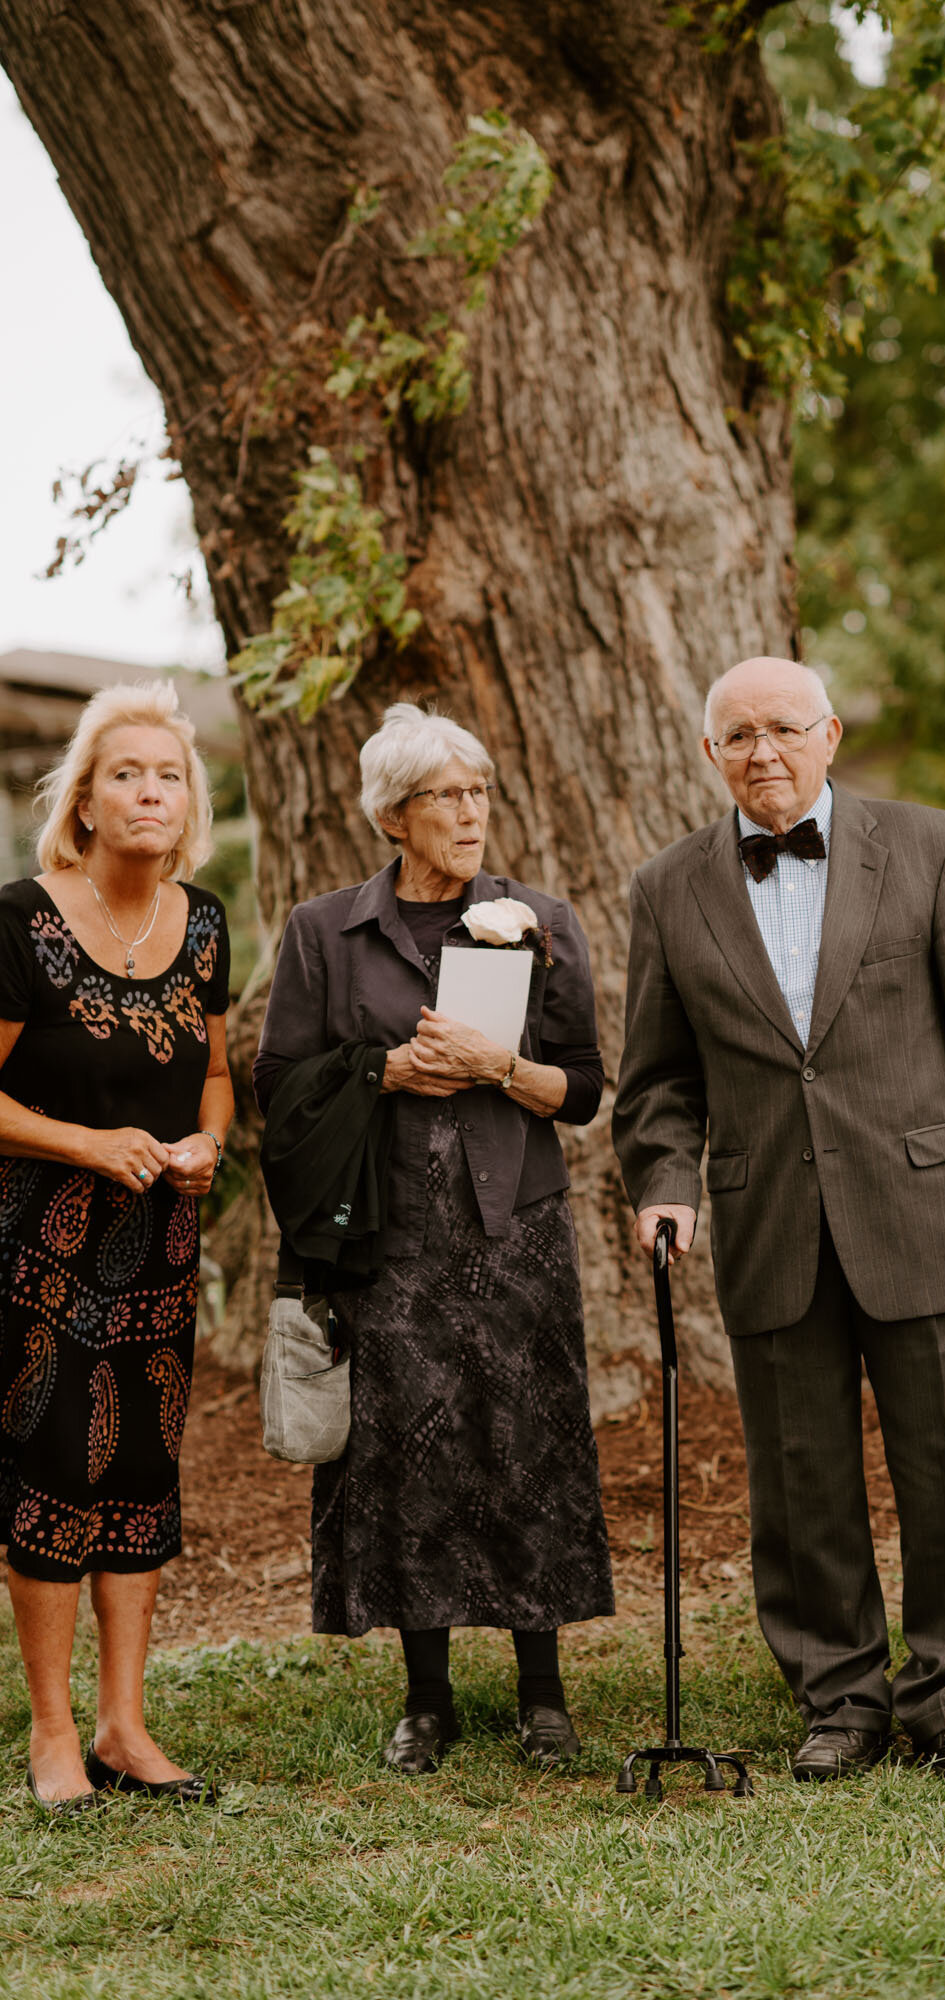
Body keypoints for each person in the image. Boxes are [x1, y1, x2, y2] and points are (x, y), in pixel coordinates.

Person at [612, 657, 945, 1780]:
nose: (764, 751)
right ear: (709, 754)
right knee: (800, 1474)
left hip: (925, 1200)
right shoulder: (667, 886)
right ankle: (839, 1694)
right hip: (772, 1219)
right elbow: (658, 1077)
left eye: (784, 728)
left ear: (832, 734)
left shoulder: (931, 844)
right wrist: (665, 1182)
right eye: (739, 735)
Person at [254, 702, 613, 1773]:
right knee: (405, 1456)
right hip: (388, 1234)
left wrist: (499, 1065)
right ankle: (427, 1697)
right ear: (393, 815)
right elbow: (278, 1083)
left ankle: (544, 1693)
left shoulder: (539, 918)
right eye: (449, 796)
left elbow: (586, 1089)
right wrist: (384, 1070)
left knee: (527, 1446)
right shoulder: (325, 931)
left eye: (481, 792)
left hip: (517, 1228)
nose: (472, 813)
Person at [0, 682, 232, 1810]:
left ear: (189, 803)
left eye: (169, 775)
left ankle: (125, 1726)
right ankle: (50, 1733)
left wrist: (206, 1143)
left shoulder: (206, 923)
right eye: (127, 773)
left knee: (140, 1472)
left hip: (159, 1246)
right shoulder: (21, 918)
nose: (151, 790)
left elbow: (220, 1075)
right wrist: (90, 1144)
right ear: (84, 801)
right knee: (54, 1471)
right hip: (37, 1254)